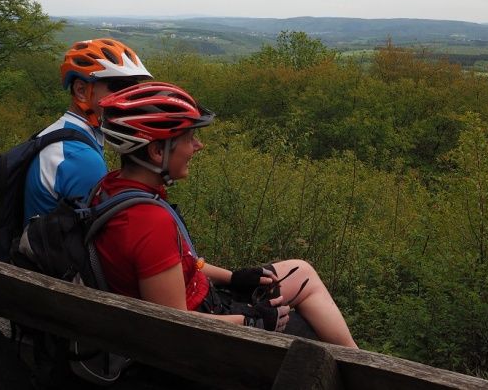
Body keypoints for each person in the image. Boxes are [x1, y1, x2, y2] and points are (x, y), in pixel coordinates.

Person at [94, 81, 358, 347]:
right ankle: (362, 367)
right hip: (206, 327)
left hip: (203, 298)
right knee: (307, 316)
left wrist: (233, 277)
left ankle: (357, 361)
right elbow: (174, 325)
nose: (198, 146)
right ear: (156, 151)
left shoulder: (111, 189)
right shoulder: (149, 222)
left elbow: (177, 265)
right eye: (189, 139)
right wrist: (251, 321)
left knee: (301, 271)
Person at [23, 38, 152, 221]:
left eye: (133, 88)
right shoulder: (80, 157)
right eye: (119, 87)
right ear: (81, 91)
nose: (129, 98)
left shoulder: (58, 132)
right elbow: (98, 237)